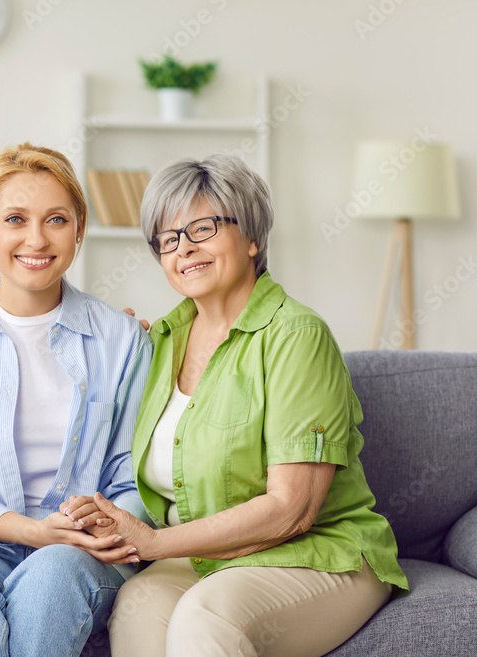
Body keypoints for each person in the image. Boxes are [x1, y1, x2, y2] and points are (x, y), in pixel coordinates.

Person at [71, 154, 409, 657]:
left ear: (252, 238)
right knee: (138, 606)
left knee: (204, 618)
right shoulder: (159, 343)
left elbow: (292, 509)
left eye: (202, 228)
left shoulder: (297, 336)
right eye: (168, 239)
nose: (184, 249)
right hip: (211, 558)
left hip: (319, 554)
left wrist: (155, 543)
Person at [0, 142, 154, 657]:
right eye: (15, 218)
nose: (36, 239)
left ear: (78, 230)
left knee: (50, 580)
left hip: (85, 550)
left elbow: (137, 475)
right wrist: (33, 531)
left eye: (56, 219)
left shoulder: (124, 339)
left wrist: (100, 524)